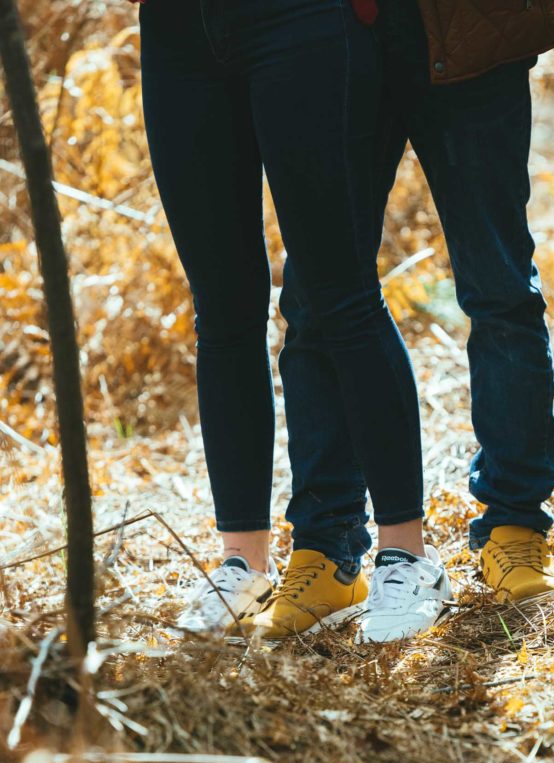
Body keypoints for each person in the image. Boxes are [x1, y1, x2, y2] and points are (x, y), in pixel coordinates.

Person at [245, 0, 554, 644]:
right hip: (330, 35)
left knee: (500, 287)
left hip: (471, 29)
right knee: (315, 300)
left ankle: (514, 525)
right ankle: (327, 552)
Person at [134, 0, 452, 642]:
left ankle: (407, 558)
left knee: (343, 296)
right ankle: (243, 562)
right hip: (175, 33)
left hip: (300, 20)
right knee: (222, 311)